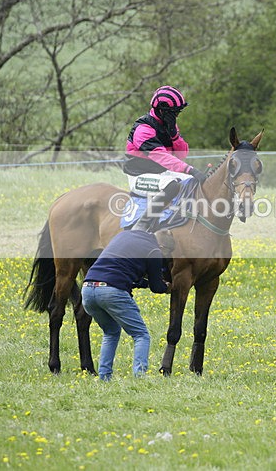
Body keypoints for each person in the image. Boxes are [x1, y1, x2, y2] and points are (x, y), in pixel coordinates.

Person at [81, 225, 175, 380]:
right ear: (163, 247)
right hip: (112, 291)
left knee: (110, 332)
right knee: (141, 334)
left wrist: (145, 283)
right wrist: (167, 288)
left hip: (87, 289)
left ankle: (104, 376)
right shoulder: (154, 251)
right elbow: (157, 287)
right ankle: (140, 376)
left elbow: (125, 273)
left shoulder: (124, 236)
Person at [123, 85, 207, 218]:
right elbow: (162, 157)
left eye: (178, 112)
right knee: (171, 186)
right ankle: (144, 223)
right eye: (174, 112)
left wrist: (174, 135)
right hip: (139, 176)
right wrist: (190, 169)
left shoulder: (169, 126)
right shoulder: (143, 130)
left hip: (161, 172)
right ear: (162, 111)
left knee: (192, 182)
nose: (177, 115)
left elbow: (181, 155)